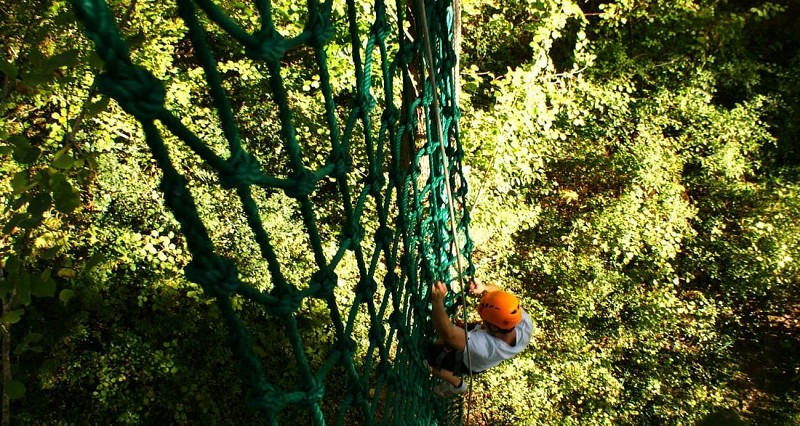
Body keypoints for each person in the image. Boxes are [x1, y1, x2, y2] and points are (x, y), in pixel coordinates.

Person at [428, 278, 533, 397]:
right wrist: (484, 288)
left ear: (493, 328)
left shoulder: (487, 348)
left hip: (466, 362)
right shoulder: (524, 323)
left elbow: (449, 334)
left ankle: (457, 384)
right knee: (440, 340)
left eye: (484, 320)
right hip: (480, 335)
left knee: (427, 359)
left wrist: (437, 301)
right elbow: (499, 295)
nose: (482, 321)